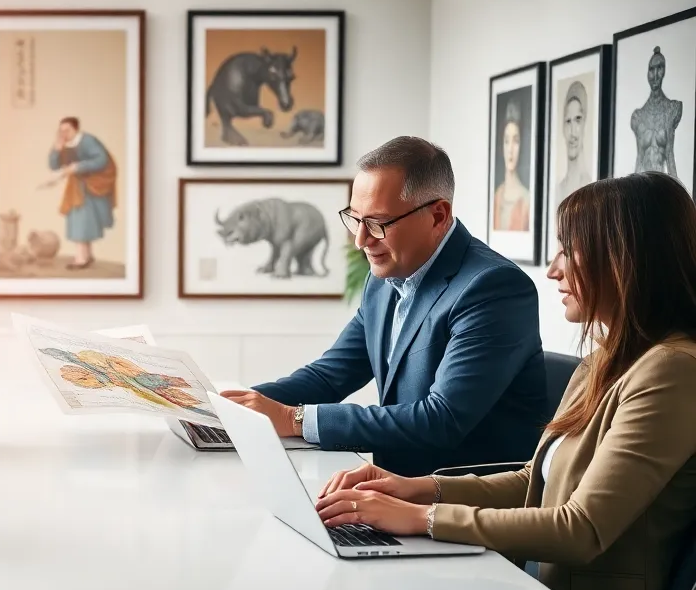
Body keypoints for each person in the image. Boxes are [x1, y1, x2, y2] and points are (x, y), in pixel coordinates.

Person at [313, 171, 696, 590]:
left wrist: (421, 519)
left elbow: (580, 529)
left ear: (626, 260)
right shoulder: (609, 357)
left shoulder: (671, 372)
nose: (554, 270)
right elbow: (533, 482)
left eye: (568, 251)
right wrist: (415, 487)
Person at [220, 136, 550, 477]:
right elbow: (330, 376)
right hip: (394, 491)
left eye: (378, 224)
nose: (361, 241)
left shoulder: (493, 288)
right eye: (355, 219)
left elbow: (441, 419)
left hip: (465, 507)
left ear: (438, 215)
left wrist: (293, 419)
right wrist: (229, 407)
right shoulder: (385, 278)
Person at [45, 117, 117, 269]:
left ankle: (81, 258)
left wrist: (78, 167)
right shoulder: (63, 143)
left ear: (76, 129)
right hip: (78, 187)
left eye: (67, 130)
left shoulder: (87, 140)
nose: (63, 133)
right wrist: (56, 150)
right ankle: (87, 255)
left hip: (93, 185)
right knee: (82, 221)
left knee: (81, 222)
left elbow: (101, 160)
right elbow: (53, 166)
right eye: (61, 130)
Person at [632, 46, 683, 178]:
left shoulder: (672, 109)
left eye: (659, 68)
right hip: (642, 187)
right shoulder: (638, 116)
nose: (655, 75)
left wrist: (680, 194)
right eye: (651, 69)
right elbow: (639, 159)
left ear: (664, 71)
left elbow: (670, 156)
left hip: (663, 186)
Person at [493, 100, 530, 231]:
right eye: (506, 141)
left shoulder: (526, 200)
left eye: (516, 141)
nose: (510, 149)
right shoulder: (497, 195)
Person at [556, 79, 593, 202]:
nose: (572, 132)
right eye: (568, 121)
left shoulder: (590, 185)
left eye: (578, 119)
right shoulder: (558, 190)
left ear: (584, 123)